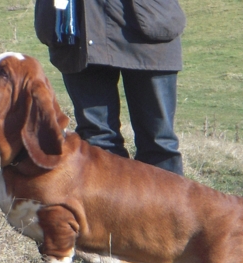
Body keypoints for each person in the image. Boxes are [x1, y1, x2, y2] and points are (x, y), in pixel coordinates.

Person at [34, 0, 186, 176]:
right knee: (98, 147)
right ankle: (111, 202)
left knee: (158, 146)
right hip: (76, 28)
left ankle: (163, 203)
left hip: (147, 22)